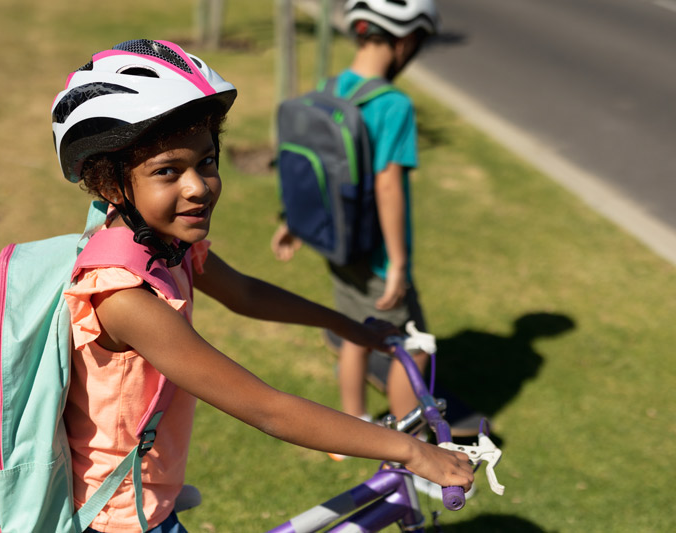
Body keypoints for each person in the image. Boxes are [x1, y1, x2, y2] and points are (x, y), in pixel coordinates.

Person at [52, 39, 472, 533]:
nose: (198, 187)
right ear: (111, 186)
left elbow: (246, 293)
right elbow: (266, 409)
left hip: (149, 498)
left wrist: (349, 326)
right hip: (120, 519)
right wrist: (412, 450)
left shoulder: (165, 246)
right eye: (168, 171)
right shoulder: (122, 297)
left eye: (206, 162)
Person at [271, 0, 481, 446]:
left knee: (355, 330)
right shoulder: (394, 105)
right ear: (406, 40)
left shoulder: (333, 87)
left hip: (339, 243)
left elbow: (317, 169)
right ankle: (405, 445)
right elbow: (387, 185)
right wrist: (399, 265)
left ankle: (354, 427)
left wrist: (294, 220)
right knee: (416, 345)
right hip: (379, 256)